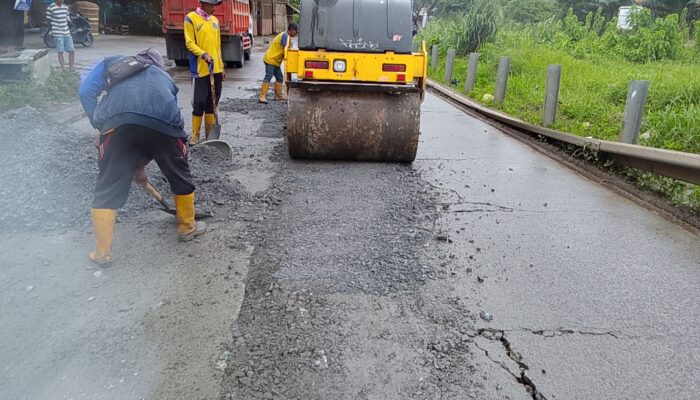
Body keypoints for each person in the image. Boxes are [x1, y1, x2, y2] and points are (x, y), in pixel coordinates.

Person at [78, 48, 206, 266]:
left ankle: (102, 253)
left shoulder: (112, 61)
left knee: (108, 184)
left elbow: (85, 91)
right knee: (179, 173)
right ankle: (187, 227)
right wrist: (173, 155)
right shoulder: (164, 77)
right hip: (164, 125)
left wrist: (100, 127)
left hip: (118, 124)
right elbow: (162, 124)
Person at [184, 0, 226, 145]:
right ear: (203, 4)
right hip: (200, 68)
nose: (215, 8)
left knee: (212, 102)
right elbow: (189, 43)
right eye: (213, 5)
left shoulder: (215, 21)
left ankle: (210, 135)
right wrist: (203, 54)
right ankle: (195, 134)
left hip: (216, 69)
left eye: (216, 5)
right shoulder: (191, 18)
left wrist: (221, 65)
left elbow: (218, 45)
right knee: (199, 101)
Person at [259, 23, 298, 104]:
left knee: (279, 77)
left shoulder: (287, 36)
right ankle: (262, 96)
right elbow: (285, 50)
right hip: (271, 59)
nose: (296, 33)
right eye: (295, 31)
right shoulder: (285, 36)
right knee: (268, 76)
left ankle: (278, 96)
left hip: (275, 61)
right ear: (291, 30)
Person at [46, 0, 74, 70]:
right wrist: (52, 29)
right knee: (60, 51)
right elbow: (48, 20)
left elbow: (67, 18)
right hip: (57, 32)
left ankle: (71, 68)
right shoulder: (50, 8)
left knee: (72, 50)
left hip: (66, 32)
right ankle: (63, 68)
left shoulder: (65, 7)